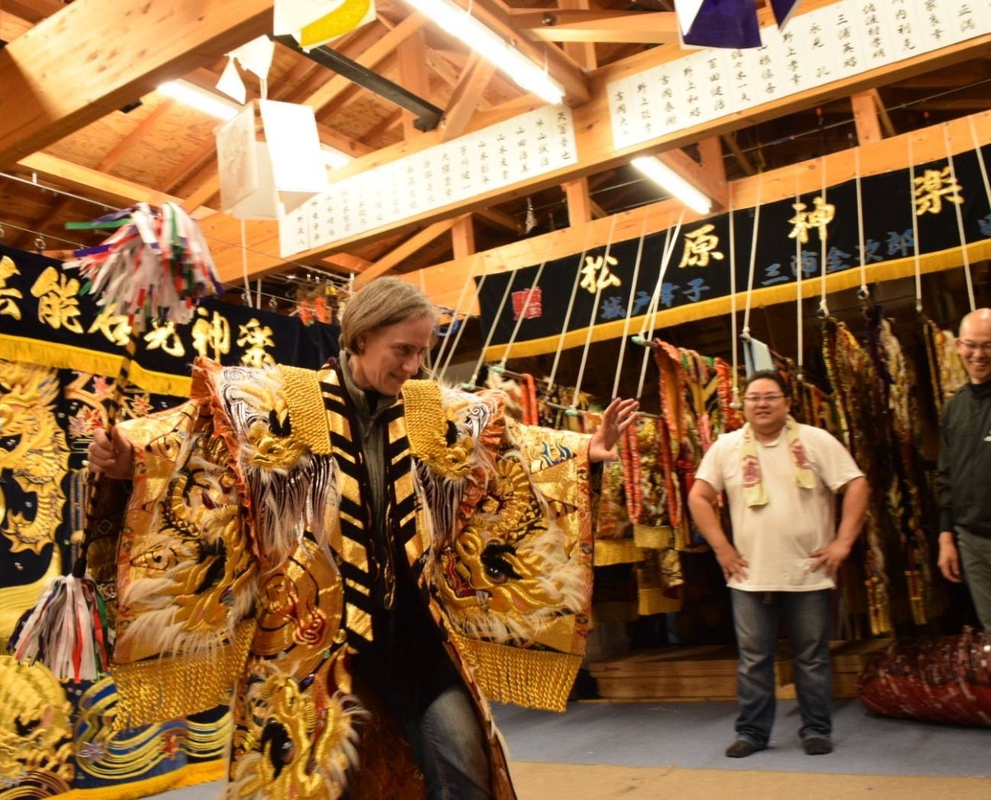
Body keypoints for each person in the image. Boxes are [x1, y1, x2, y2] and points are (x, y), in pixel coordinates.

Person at [88, 278, 638, 798]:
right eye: (402, 350)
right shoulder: (283, 398)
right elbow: (197, 436)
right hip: (310, 636)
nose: (413, 366)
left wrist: (584, 450)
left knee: (465, 765)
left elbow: (513, 444)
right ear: (361, 337)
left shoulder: (431, 410)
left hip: (417, 634)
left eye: (421, 352)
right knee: (310, 783)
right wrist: (130, 458)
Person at [687, 369, 869, 759]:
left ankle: (816, 729)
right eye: (754, 398)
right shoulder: (726, 447)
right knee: (754, 660)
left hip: (809, 572)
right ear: (743, 405)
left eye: (770, 397)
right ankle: (752, 733)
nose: (762, 404)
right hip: (750, 575)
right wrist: (721, 548)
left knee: (812, 657)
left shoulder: (816, 441)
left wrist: (843, 542)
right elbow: (698, 496)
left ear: (787, 402)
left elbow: (856, 484)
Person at [937, 308, 991, 630]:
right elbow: (947, 478)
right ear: (958, 346)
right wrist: (946, 537)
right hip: (971, 540)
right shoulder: (953, 409)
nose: (978, 354)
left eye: (988, 345)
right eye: (971, 345)